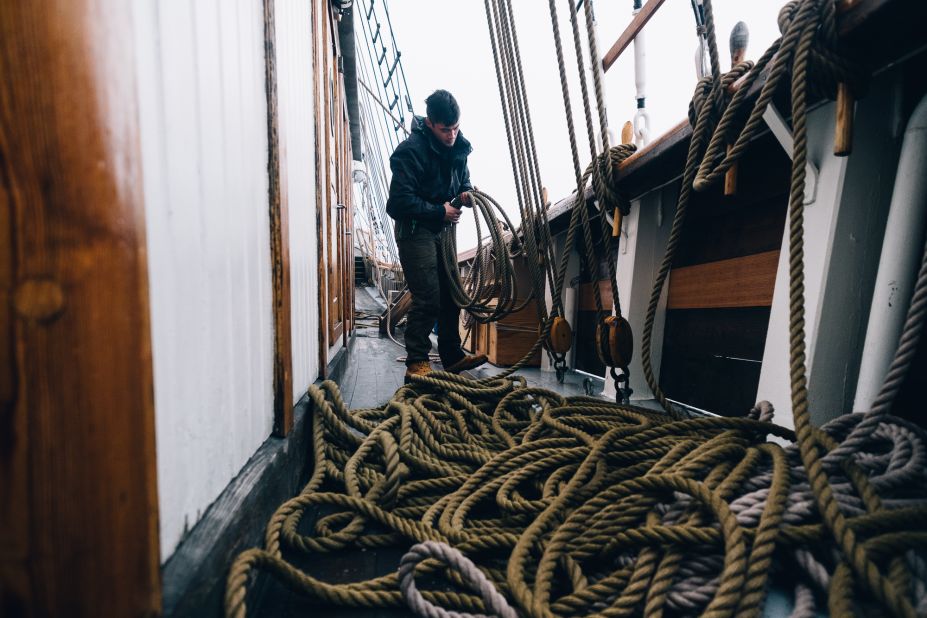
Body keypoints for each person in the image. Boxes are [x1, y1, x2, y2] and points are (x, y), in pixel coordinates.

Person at [386, 90, 488, 380]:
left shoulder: (458, 148)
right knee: (428, 297)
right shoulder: (411, 151)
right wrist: (439, 212)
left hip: (441, 234)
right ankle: (416, 362)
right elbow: (397, 204)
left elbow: (462, 181)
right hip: (415, 231)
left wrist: (466, 193)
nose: (452, 135)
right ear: (430, 123)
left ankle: (452, 356)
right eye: (446, 130)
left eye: (455, 128)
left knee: (451, 294)